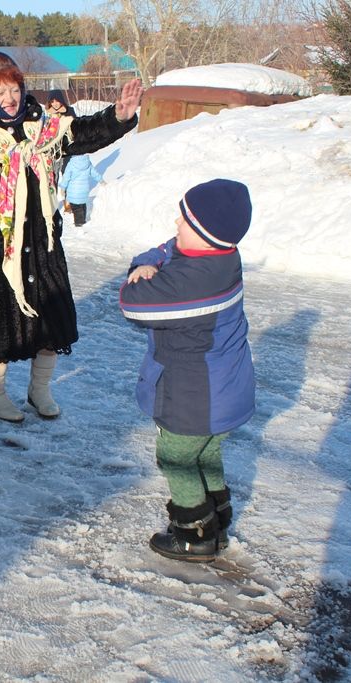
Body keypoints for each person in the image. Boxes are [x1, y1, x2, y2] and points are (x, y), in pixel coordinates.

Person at [0, 52, 142, 422]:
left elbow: (82, 133)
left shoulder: (42, 127)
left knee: (52, 322)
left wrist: (120, 116)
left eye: (14, 89)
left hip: (42, 244)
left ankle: (40, 390)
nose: (9, 98)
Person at [119, 179, 255, 563]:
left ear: (205, 235)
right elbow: (172, 247)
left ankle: (193, 533)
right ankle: (218, 522)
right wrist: (157, 257)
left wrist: (140, 269)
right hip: (224, 391)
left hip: (195, 396)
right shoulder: (223, 256)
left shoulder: (191, 282)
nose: (175, 222)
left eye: (185, 220)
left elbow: (132, 303)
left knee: (176, 459)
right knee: (206, 456)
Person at [58, 153, 102, 227]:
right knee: (83, 205)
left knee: (76, 208)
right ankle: (83, 220)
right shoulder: (87, 162)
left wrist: (63, 188)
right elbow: (94, 173)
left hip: (73, 192)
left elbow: (66, 177)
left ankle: (79, 224)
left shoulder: (71, 163)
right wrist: (101, 181)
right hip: (84, 191)